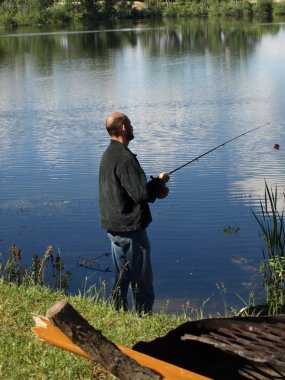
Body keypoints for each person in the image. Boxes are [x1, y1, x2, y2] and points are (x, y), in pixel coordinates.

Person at [99, 112, 170, 314]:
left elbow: (128, 191)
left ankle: (116, 313)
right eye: (130, 123)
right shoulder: (124, 157)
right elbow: (139, 194)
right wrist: (159, 181)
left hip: (114, 227)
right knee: (142, 279)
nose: (133, 126)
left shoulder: (109, 154)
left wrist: (155, 189)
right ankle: (144, 318)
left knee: (122, 277)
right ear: (123, 127)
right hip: (131, 229)